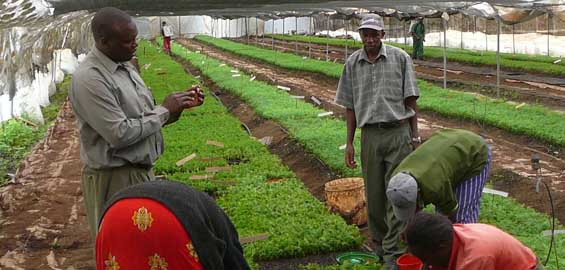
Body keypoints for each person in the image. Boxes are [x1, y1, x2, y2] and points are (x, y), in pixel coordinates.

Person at [69, 7, 204, 239]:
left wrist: (176, 109)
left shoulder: (124, 67)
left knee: (146, 247)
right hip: (115, 179)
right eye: (127, 41)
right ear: (104, 42)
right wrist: (163, 110)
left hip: (139, 173)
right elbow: (119, 133)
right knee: (124, 247)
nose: (134, 44)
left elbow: (142, 120)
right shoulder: (90, 79)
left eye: (135, 38)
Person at [334, 13, 420, 269]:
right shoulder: (352, 64)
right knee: (374, 195)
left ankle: (395, 253)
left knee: (397, 191)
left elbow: (411, 100)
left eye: (374, 34)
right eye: (365, 34)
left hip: (397, 132)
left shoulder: (400, 58)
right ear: (360, 35)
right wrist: (349, 142)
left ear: (383, 35)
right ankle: (381, 244)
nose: (369, 39)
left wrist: (414, 136)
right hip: (370, 135)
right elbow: (350, 107)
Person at [96, 180, 250, 269]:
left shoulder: (206, 208)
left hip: (113, 216)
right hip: (168, 221)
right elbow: (235, 262)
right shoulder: (223, 228)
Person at [386, 128, 491, 224]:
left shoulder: (434, 188)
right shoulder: (396, 180)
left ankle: (469, 243)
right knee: (440, 216)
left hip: (474, 152)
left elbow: (451, 211)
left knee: (461, 218)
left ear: (418, 193)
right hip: (449, 143)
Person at [403, 212, 542, 270]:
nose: (426, 265)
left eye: (426, 259)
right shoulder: (449, 234)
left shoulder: (475, 258)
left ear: (441, 247)